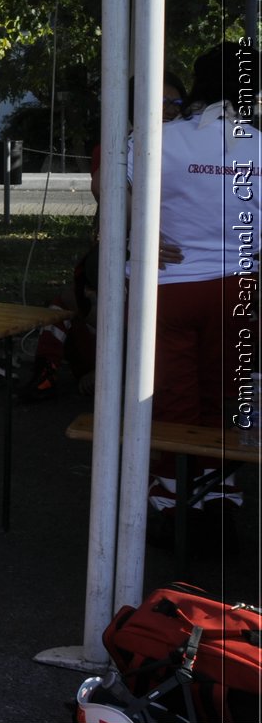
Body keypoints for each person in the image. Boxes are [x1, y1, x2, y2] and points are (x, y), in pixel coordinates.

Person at [134, 42, 256, 525]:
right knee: (221, 392)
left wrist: (137, 235)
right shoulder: (259, 144)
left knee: (170, 394)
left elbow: (119, 203)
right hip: (237, 289)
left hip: (168, 285)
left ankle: (171, 492)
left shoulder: (157, 138)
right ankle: (219, 488)